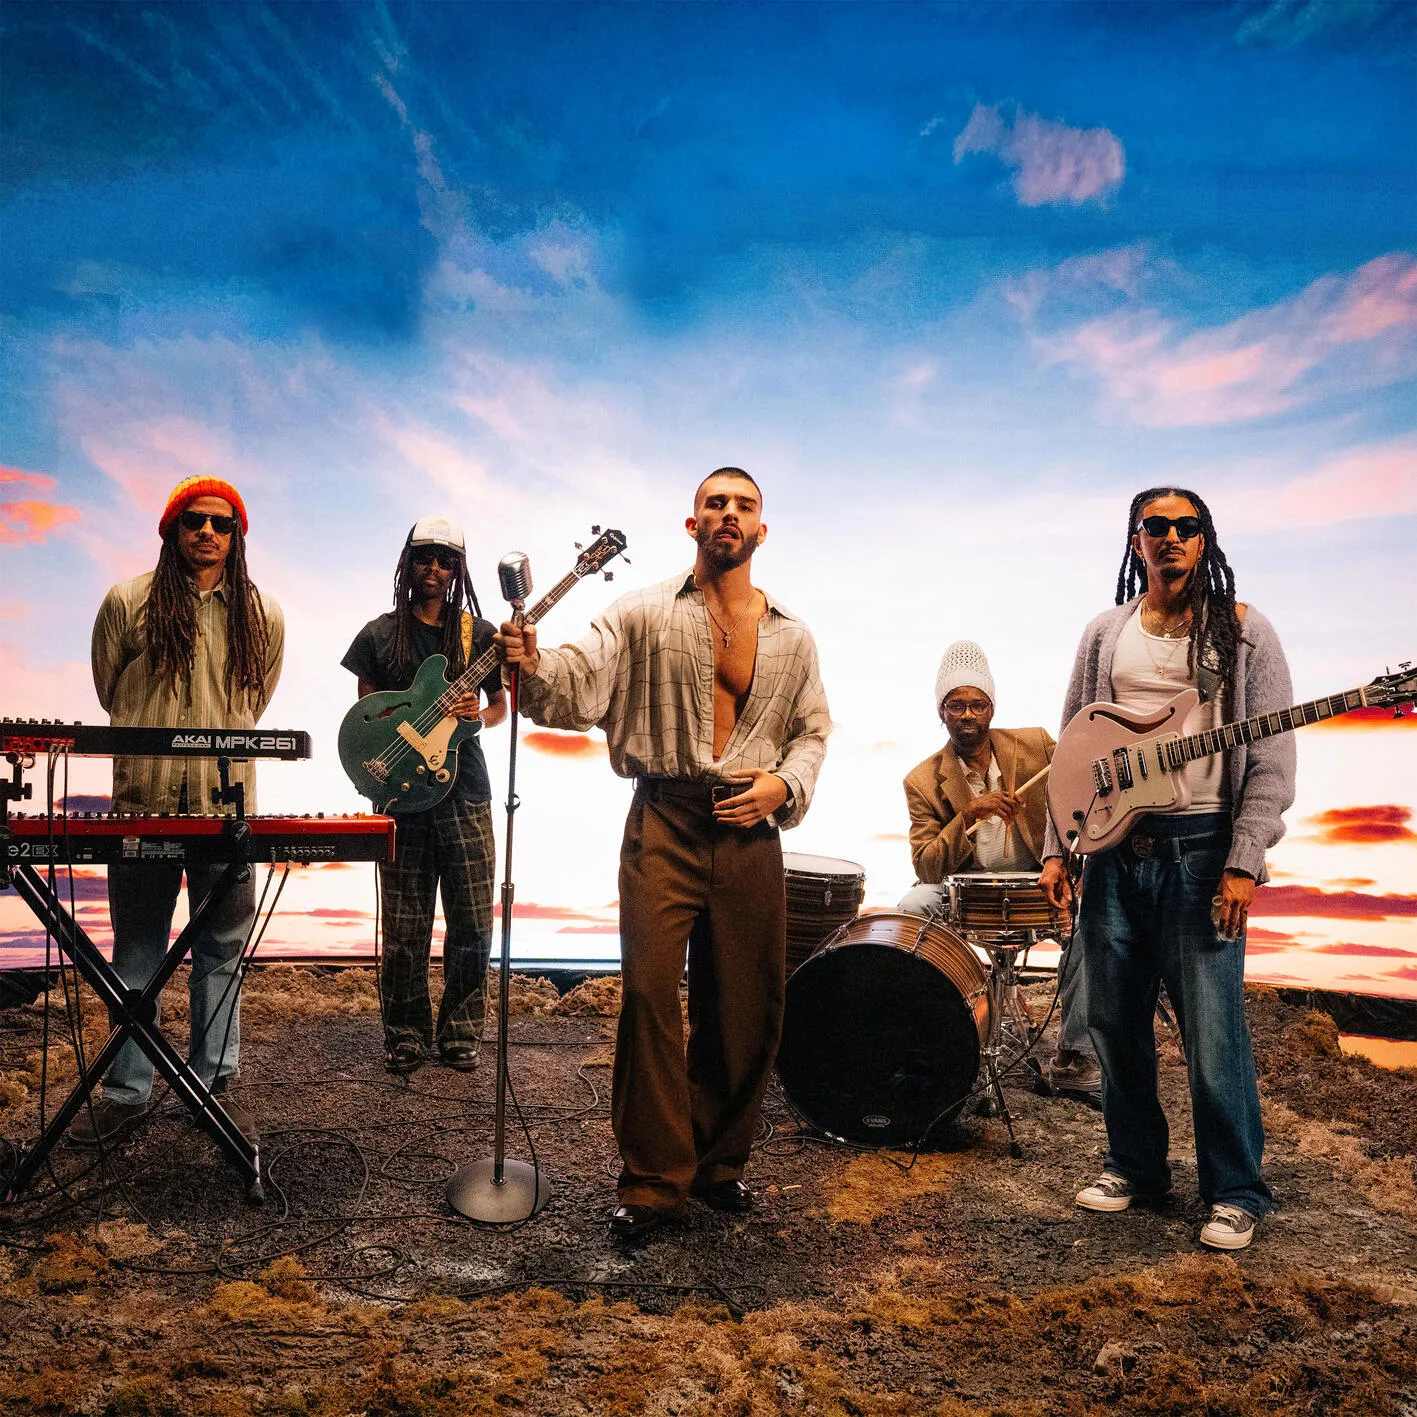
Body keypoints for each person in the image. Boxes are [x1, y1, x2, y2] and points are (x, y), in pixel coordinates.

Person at [496, 468, 831, 1240]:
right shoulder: (641, 610)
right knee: (649, 994)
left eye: (743, 505)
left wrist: (782, 785)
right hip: (665, 818)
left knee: (745, 1006)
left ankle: (717, 1164)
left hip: (750, 828)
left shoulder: (793, 635)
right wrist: (533, 661)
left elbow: (812, 731)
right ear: (692, 524)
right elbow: (576, 683)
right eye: (714, 502)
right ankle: (652, 1183)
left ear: (761, 529)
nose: (728, 513)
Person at [1040, 487, 1295, 1251]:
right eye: (1157, 525)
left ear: (1203, 540)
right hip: (1112, 853)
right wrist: (1056, 846)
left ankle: (1236, 1189)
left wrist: (1243, 860)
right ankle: (1135, 1165)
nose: (1172, 536)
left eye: (1187, 526)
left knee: (1213, 1034)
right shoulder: (1104, 632)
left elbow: (1271, 760)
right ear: (1136, 540)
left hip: (1200, 852)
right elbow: (1071, 746)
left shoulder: (1241, 631)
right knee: (1113, 1022)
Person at [77, 476, 285, 1147]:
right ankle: (128, 1093)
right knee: (138, 947)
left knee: (221, 950)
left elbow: (256, 701)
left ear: (237, 536)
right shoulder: (127, 602)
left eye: (222, 524)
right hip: (145, 806)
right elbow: (110, 690)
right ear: (172, 528)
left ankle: (211, 1088)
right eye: (195, 520)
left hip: (227, 810)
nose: (207, 532)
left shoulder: (262, 614)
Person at [342, 515, 506, 1074]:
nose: (433, 569)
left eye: (446, 561)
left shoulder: (479, 636)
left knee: (473, 921)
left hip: (466, 790)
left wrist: (475, 714)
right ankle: (405, 1033)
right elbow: (365, 717)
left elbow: (499, 709)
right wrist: (383, 766)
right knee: (405, 925)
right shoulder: (378, 635)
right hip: (400, 794)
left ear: (458, 569)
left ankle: (461, 1032)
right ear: (407, 564)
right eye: (424, 558)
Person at [899, 641, 1097, 1098]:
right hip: (964, 891)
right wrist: (968, 815)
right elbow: (926, 866)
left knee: (1090, 924)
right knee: (912, 906)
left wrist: (1077, 864)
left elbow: (1081, 793)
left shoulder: (1035, 746)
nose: (967, 715)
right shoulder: (922, 781)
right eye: (956, 705)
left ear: (991, 708)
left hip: (1038, 883)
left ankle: (1074, 1055)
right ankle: (933, 1040)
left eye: (977, 704)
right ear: (941, 712)